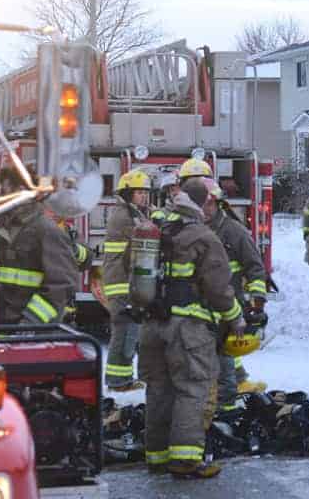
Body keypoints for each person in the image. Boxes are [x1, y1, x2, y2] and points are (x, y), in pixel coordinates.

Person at [140, 178, 244, 479]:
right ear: (204, 202)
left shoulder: (158, 229)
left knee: (159, 391)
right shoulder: (203, 236)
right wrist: (236, 318)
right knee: (191, 390)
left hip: (152, 324)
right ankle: (185, 460)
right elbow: (219, 289)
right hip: (187, 329)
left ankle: (157, 457)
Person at [199, 176, 269, 404]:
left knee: (224, 360)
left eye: (209, 204)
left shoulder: (234, 231)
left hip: (227, 307)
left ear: (218, 204)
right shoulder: (192, 230)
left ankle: (226, 407)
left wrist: (257, 302)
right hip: (198, 308)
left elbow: (255, 268)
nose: (204, 209)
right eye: (200, 204)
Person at [0, 167, 78, 326]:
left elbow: (61, 287)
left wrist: (30, 324)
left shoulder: (46, 231)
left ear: (22, 191)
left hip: (30, 329)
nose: (0, 197)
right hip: (0, 326)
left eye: (5, 192)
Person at [101, 169, 152, 393]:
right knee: (124, 331)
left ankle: (124, 379)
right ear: (127, 193)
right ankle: (117, 382)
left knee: (131, 332)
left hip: (126, 282)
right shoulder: (124, 216)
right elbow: (144, 237)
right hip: (121, 284)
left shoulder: (134, 213)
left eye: (145, 192)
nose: (144, 196)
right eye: (139, 192)